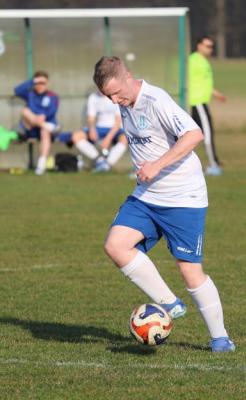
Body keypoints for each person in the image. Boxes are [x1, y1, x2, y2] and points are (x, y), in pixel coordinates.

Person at [93, 55, 235, 352]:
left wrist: (157, 165)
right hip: (147, 196)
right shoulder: (125, 103)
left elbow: (194, 134)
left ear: (129, 76)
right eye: (109, 96)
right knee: (115, 245)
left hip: (183, 197)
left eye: (118, 92)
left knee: (189, 270)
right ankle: (169, 303)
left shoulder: (156, 99)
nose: (116, 100)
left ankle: (220, 338)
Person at [187, 35, 227, 176]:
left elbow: (204, 83)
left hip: (202, 101)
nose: (211, 49)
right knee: (206, 132)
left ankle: (212, 160)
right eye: (208, 46)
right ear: (199, 45)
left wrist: (217, 94)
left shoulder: (204, 62)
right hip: (196, 101)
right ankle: (213, 163)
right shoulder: (193, 60)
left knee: (200, 133)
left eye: (212, 46)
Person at [64, 89, 129, 172]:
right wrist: (92, 129)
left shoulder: (115, 97)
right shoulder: (93, 97)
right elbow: (91, 118)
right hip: (98, 128)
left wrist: (108, 138)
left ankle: (107, 164)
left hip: (115, 130)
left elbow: (118, 121)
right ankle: (99, 161)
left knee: (125, 139)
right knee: (76, 137)